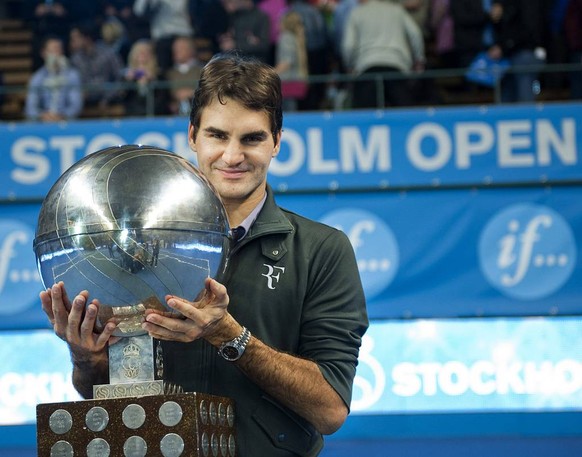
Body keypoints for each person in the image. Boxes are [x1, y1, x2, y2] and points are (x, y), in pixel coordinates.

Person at [41, 51, 368, 457]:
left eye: (252, 138)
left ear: (277, 142)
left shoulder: (321, 250)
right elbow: (108, 397)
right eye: (217, 135)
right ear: (193, 135)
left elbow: (330, 409)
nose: (233, 157)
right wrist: (85, 357)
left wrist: (228, 335)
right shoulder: (131, 247)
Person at [342, 0, 425, 109]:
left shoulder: (357, 12)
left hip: (367, 68)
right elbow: (415, 34)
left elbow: (348, 45)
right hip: (397, 67)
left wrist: (350, 66)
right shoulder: (397, 9)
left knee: (366, 119)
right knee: (404, 117)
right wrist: (419, 60)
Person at [24, 36, 83, 122]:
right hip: (42, 122)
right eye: (53, 50)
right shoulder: (37, 77)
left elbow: (76, 105)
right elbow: (30, 107)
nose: (56, 54)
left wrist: (62, 116)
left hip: (66, 122)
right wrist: (42, 116)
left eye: (59, 50)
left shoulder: (72, 75)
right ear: (43, 53)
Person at [69, 23, 124, 110]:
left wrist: (106, 99)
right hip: (83, 104)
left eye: (75, 38)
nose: (72, 42)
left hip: (110, 100)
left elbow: (120, 78)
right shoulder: (75, 59)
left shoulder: (108, 54)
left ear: (86, 38)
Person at [275, 11, 309, 111]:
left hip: (287, 82)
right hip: (296, 81)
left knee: (288, 113)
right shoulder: (297, 38)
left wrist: (270, 73)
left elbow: (286, 62)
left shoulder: (286, 38)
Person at [164, 36, 204, 115]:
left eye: (181, 48)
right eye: (175, 48)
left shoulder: (203, 70)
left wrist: (191, 93)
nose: (176, 51)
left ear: (191, 50)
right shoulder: (168, 74)